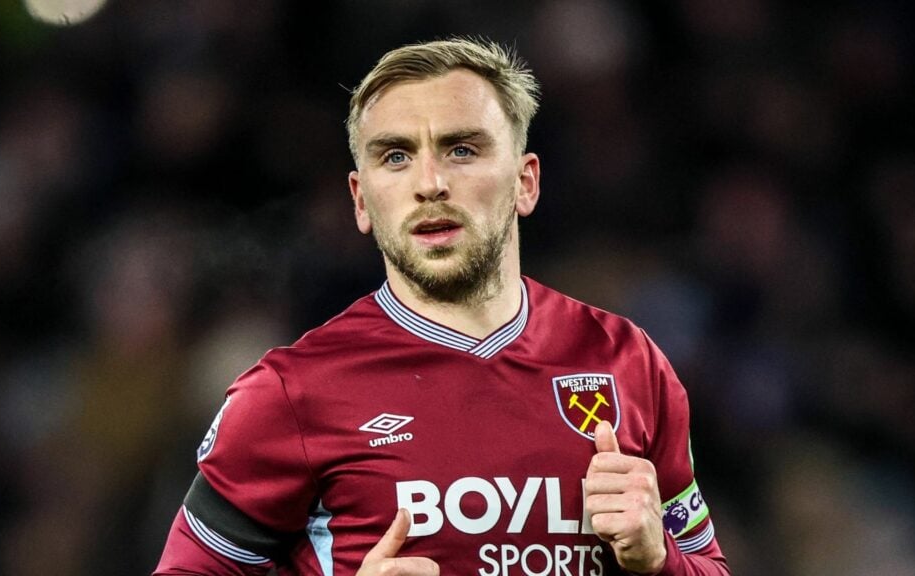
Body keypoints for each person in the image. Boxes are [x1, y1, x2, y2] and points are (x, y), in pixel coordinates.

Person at [153, 37, 730, 576]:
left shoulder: (626, 362)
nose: (430, 182)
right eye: (396, 156)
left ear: (525, 183)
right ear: (361, 199)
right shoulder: (290, 393)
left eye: (462, 149)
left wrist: (660, 560)